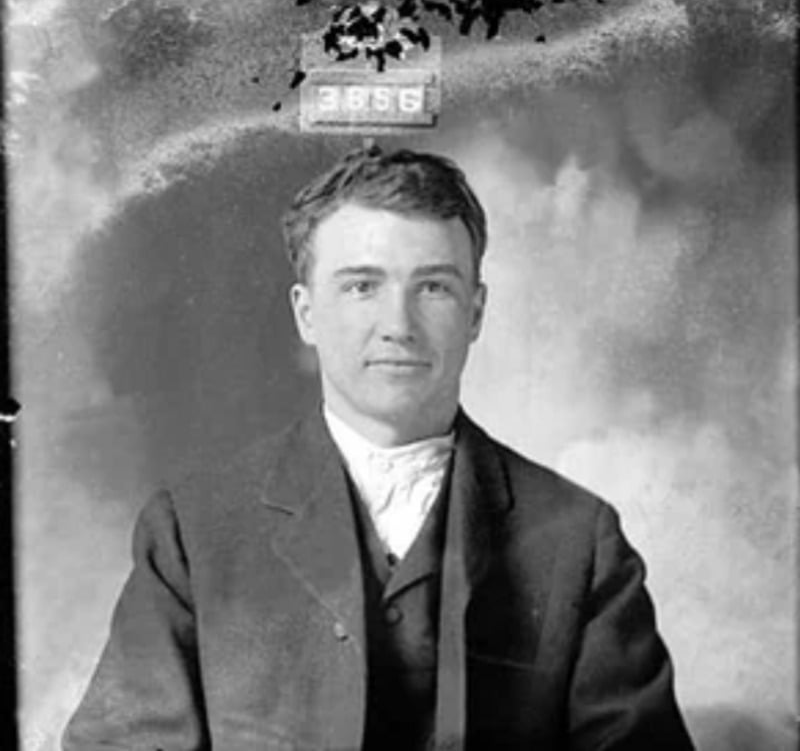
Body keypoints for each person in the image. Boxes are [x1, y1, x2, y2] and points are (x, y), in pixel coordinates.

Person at [63, 145, 695, 751]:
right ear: (306, 313)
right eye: (362, 286)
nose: (398, 324)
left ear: (475, 312)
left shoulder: (580, 542)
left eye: (434, 288)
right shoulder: (191, 533)